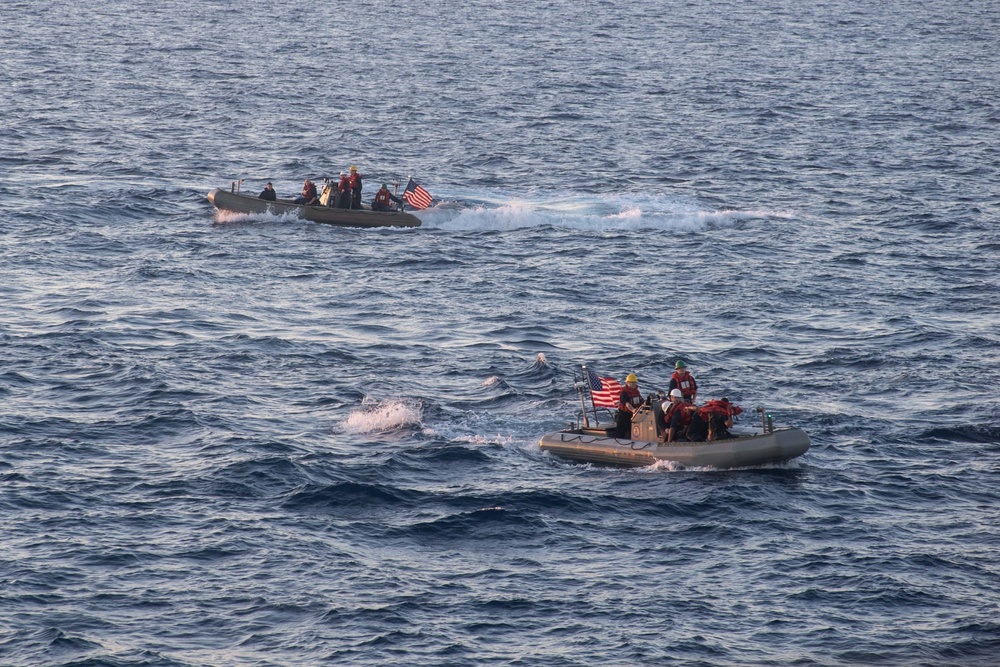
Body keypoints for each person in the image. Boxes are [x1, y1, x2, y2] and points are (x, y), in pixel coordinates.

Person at [614, 373, 643, 439]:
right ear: (627, 383)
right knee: (620, 432)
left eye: (634, 382)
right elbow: (627, 404)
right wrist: (633, 410)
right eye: (631, 382)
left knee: (632, 431)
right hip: (624, 415)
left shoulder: (636, 392)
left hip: (633, 415)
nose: (633, 384)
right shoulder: (624, 392)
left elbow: (641, 401)